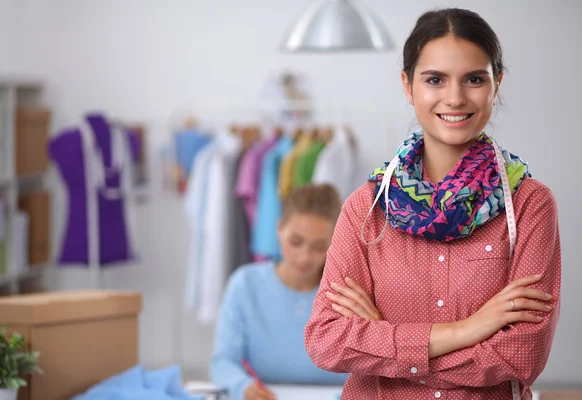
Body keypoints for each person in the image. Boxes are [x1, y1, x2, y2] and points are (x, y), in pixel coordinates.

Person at [304, 8, 560, 400]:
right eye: (435, 80)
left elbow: (522, 356)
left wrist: (386, 342)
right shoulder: (366, 209)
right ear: (408, 86)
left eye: (474, 79)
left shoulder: (530, 205)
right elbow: (326, 339)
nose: (454, 98)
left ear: (497, 84)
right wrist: (464, 331)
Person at [210, 183, 348, 400]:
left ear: (334, 243)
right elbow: (223, 360)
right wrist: (241, 386)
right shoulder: (245, 284)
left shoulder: (347, 293)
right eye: (296, 241)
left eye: (319, 246)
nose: (304, 257)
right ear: (279, 229)